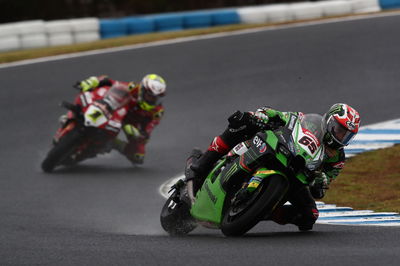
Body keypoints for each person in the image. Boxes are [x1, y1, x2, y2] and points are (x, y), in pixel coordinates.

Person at [188, 103, 360, 231]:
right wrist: (262, 115)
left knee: (309, 217)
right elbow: (278, 115)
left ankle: (264, 211)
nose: (340, 136)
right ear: (329, 121)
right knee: (241, 124)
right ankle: (203, 163)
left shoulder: (337, 158)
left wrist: (321, 181)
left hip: (298, 175)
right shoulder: (305, 120)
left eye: (346, 135)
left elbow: (323, 185)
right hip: (276, 149)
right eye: (339, 129)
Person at [74, 74, 166, 165]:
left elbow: (147, 132)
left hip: (131, 124)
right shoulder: (134, 88)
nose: (152, 100)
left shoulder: (157, 112)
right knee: (99, 92)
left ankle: (113, 143)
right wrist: (92, 81)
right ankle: (78, 113)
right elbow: (111, 82)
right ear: (142, 90)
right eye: (150, 96)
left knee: (137, 156)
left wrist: (139, 134)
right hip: (119, 109)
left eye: (155, 98)